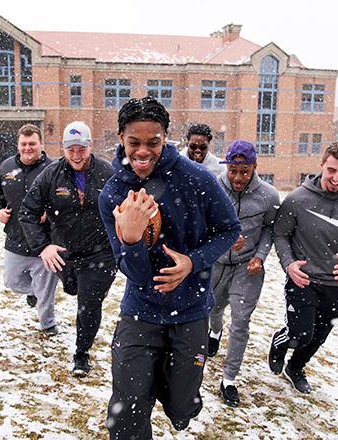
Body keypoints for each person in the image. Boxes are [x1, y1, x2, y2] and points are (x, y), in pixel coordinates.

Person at [98, 96, 241, 439]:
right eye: (134, 142)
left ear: (165, 138)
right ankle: (140, 394)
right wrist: (132, 241)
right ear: (121, 138)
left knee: (180, 409)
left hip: (190, 313)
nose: (143, 151)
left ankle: (181, 397)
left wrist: (193, 262)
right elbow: (134, 273)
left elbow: (230, 229)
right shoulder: (113, 193)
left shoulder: (197, 179)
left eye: (153, 142)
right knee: (127, 412)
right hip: (140, 313)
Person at [268, 141, 338, 394]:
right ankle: (280, 342)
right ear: (321, 165)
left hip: (335, 284)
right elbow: (280, 235)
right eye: (332, 170)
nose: (337, 178)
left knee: (319, 335)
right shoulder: (297, 199)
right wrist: (289, 264)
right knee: (301, 333)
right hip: (302, 279)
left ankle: (296, 367)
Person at [19, 121, 116, 376]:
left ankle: (81, 353)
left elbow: (125, 210)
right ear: (63, 148)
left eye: (81, 149)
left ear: (90, 146)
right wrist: (43, 247)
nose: (76, 155)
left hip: (100, 253)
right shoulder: (51, 175)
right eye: (71, 149)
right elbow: (27, 212)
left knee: (89, 304)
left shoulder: (107, 173)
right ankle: (68, 285)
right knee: (73, 289)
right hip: (65, 252)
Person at [208, 140, 280, 407]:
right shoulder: (214, 187)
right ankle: (214, 332)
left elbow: (270, 230)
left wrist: (260, 256)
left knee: (240, 322)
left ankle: (229, 379)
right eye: (233, 171)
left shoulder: (269, 196)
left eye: (245, 171)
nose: (238, 177)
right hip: (215, 263)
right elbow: (202, 223)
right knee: (212, 310)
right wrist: (221, 238)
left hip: (246, 266)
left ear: (254, 167)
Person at [0, 124, 59, 337]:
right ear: (18, 145)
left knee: (46, 291)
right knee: (11, 281)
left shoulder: (53, 168)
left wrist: (51, 211)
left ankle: (48, 324)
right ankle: (32, 293)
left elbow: (65, 198)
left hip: (45, 242)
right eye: (24, 144)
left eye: (32, 143)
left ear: (41, 144)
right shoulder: (7, 167)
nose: (28, 148)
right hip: (16, 238)